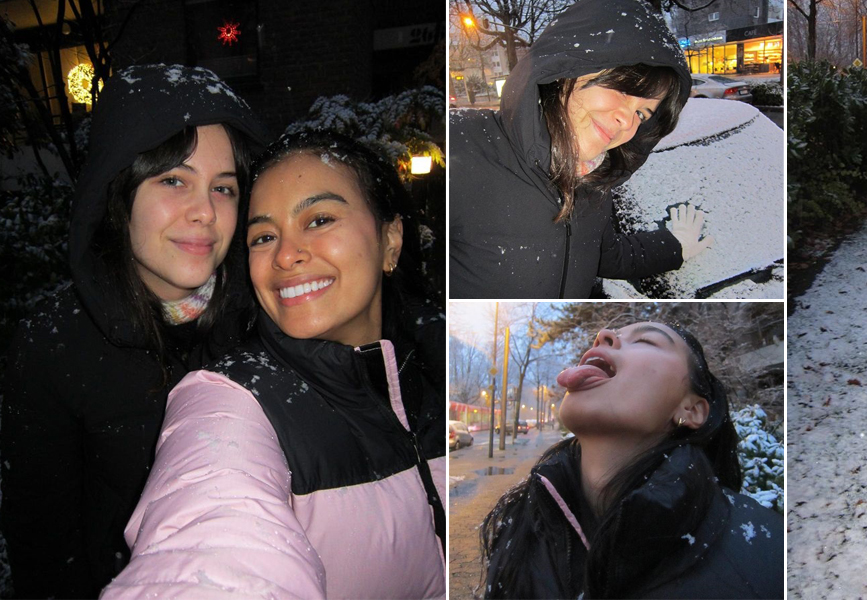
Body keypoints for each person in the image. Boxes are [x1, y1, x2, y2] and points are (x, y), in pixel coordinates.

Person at [101, 131, 446, 598]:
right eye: (264, 236)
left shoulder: (448, 358)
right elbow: (208, 539)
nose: (285, 255)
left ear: (391, 239)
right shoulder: (231, 399)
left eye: (319, 219)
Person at [0, 64, 269, 597]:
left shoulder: (265, 319)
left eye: (225, 188)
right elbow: (47, 555)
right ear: (119, 195)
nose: (205, 213)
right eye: (174, 180)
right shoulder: (53, 349)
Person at [481, 322, 784, 598]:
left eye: (647, 341)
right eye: (602, 338)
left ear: (691, 409)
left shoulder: (768, 556)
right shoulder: (518, 528)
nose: (603, 335)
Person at [450, 0, 712, 299]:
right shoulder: (462, 144)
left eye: (643, 114)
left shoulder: (593, 183)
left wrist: (673, 247)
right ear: (566, 71)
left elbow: (604, 255)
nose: (627, 121)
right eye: (623, 90)